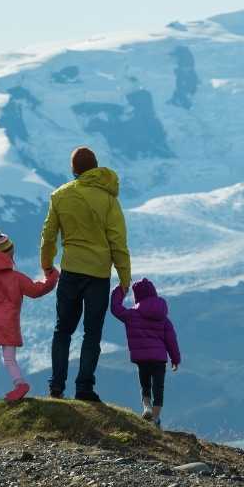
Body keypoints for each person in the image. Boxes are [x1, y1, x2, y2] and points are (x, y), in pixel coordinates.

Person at [40, 146, 132, 402]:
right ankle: (84, 388)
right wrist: (125, 279)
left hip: (70, 271)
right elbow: (118, 242)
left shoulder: (60, 196)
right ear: (96, 167)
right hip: (98, 276)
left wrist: (47, 265)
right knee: (92, 334)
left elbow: (49, 236)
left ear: (74, 169)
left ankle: (56, 386)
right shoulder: (108, 199)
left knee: (63, 330)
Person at [0, 229, 58, 408]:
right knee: (10, 359)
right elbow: (36, 290)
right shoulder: (16, 277)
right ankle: (20, 383)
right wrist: (52, 277)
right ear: (10, 253)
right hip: (9, 324)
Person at [110, 278, 181, 427]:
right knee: (158, 388)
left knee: (145, 385)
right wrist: (175, 358)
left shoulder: (132, 314)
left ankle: (146, 406)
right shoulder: (163, 318)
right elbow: (171, 340)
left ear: (137, 297)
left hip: (142, 358)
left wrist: (121, 289)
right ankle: (155, 418)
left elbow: (115, 308)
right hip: (159, 359)